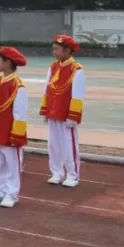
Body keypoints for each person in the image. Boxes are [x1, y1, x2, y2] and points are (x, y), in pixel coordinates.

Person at [0, 46, 29, 207]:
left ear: (8, 62)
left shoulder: (18, 86)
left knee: (12, 164)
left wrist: (16, 135)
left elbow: (20, 113)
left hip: (9, 132)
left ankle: (11, 194)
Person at [40, 34, 85, 187]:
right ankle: (57, 172)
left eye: (56, 49)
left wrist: (73, 116)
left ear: (66, 51)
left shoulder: (76, 70)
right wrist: (45, 109)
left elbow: (77, 95)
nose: (54, 52)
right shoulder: (53, 67)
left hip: (66, 114)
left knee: (68, 145)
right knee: (53, 144)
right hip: (53, 112)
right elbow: (47, 88)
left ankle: (72, 175)